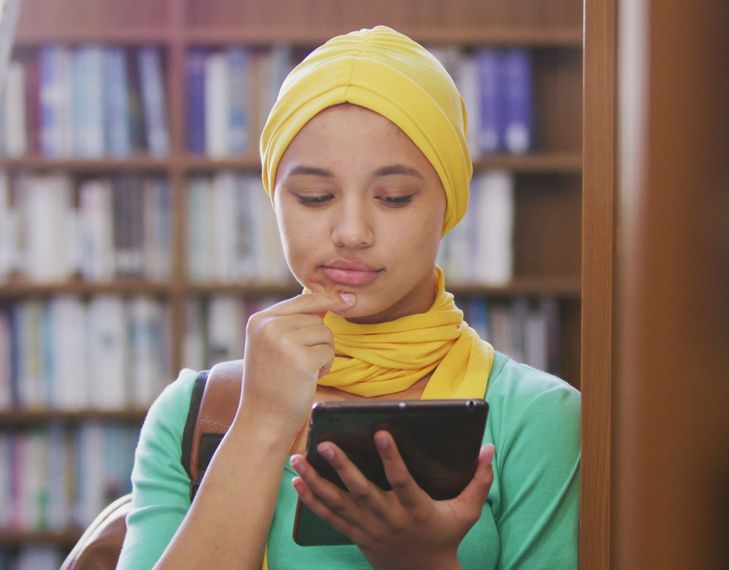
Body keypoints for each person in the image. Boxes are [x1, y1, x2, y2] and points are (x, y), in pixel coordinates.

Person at [117, 26, 580, 569]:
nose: (352, 231)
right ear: (275, 202)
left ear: (449, 204)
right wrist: (261, 422)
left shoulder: (535, 417)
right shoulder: (192, 415)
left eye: (394, 197)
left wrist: (425, 562)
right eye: (315, 197)